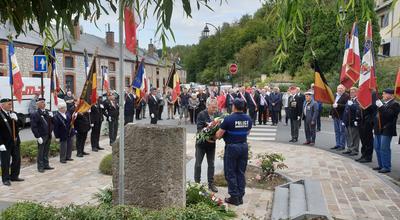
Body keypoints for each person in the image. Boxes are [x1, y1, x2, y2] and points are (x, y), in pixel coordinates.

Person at [215, 98, 252, 206]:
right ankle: (240, 196)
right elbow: (247, 132)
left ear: (234, 106)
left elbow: (218, 135)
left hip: (232, 148)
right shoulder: (248, 118)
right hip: (244, 147)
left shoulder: (228, 119)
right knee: (240, 172)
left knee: (230, 172)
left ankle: (234, 197)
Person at [194, 98, 219, 192]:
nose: (214, 109)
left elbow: (220, 128)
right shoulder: (201, 114)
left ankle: (211, 184)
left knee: (211, 164)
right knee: (198, 164)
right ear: (207, 106)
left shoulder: (217, 114)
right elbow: (199, 129)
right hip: (201, 143)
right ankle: (197, 184)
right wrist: (207, 136)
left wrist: (216, 136)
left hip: (212, 144)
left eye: (215, 107)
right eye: (213, 107)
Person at [373, 88, 400, 173]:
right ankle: (381, 165)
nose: (383, 95)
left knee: (384, 148)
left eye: (385, 94)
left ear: (391, 95)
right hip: (378, 129)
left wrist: (381, 106)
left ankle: (386, 166)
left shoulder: (395, 104)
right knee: (377, 148)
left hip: (387, 129)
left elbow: (389, 115)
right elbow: (377, 116)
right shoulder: (383, 103)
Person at [0, 98, 24, 185]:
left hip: (15, 141)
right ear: (2, 105)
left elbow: (22, 125)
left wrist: (17, 119)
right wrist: (0, 143)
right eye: (9, 104)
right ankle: (5, 179)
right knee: (5, 162)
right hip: (5, 143)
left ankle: (14, 176)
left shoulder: (13, 113)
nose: (11, 106)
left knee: (17, 159)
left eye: (11, 104)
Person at [30, 98, 54, 173]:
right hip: (41, 136)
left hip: (48, 134)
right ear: (38, 104)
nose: (44, 104)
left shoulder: (47, 112)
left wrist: (52, 117)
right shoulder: (35, 114)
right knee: (41, 152)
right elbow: (34, 127)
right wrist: (37, 137)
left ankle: (46, 165)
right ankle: (40, 167)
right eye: (42, 102)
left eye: (44, 102)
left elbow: (52, 123)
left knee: (46, 151)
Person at [355, 92, 377, 163]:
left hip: (368, 121)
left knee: (368, 140)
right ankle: (363, 155)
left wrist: (365, 104)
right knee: (363, 139)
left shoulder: (373, 94)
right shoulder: (363, 93)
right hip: (361, 120)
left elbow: (374, 107)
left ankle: (368, 157)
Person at [330, 84, 349, 151]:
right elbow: (332, 104)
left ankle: (342, 145)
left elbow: (346, 106)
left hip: (342, 116)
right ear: (337, 89)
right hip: (335, 116)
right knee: (337, 131)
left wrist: (338, 105)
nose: (340, 90)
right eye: (339, 88)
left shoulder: (346, 96)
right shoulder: (335, 95)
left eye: (341, 88)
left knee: (342, 131)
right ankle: (337, 144)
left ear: (344, 89)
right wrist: (330, 113)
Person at [342, 87, 360, 156]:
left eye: (353, 92)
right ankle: (349, 148)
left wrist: (352, 105)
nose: (351, 93)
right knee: (348, 136)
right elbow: (345, 111)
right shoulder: (349, 100)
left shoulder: (358, 100)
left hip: (354, 121)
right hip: (348, 121)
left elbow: (358, 109)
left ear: (356, 93)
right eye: (350, 92)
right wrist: (344, 120)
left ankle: (355, 150)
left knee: (355, 137)